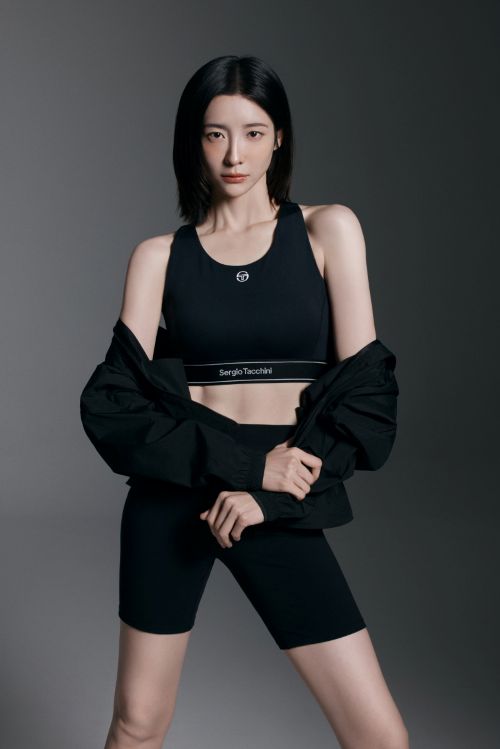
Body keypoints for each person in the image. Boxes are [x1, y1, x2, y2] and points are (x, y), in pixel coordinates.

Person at [101, 55, 409, 749]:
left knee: (378, 737)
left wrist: (270, 490)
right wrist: (247, 466)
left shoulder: (327, 230)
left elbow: (366, 393)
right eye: (215, 134)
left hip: (279, 489)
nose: (234, 154)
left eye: (253, 132)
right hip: (178, 492)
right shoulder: (158, 257)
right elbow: (115, 405)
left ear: (279, 138)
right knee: (137, 723)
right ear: (193, 142)